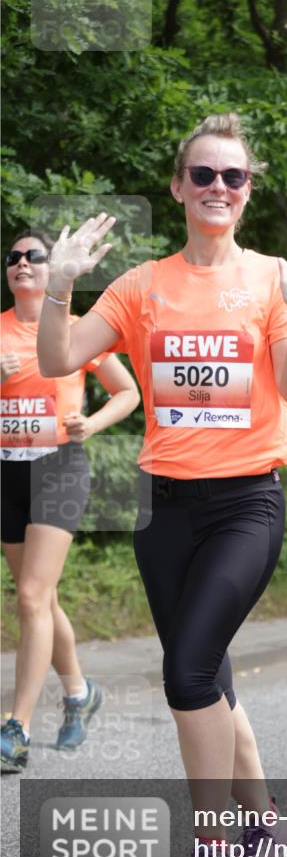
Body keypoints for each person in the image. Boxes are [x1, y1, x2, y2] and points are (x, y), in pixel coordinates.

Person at [36, 113, 287, 857]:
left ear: (248, 190)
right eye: (202, 174)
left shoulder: (275, 280)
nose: (217, 187)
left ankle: (212, 855)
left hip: (245, 503)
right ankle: (264, 818)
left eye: (233, 176)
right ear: (178, 187)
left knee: (188, 674)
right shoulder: (142, 286)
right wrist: (61, 284)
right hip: (164, 508)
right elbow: (59, 358)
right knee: (209, 674)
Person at [1, 229, 139, 773]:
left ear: (50, 267)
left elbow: (128, 392)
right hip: (7, 471)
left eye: (34, 256)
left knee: (32, 596)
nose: (22, 263)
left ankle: (16, 728)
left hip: (58, 467)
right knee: (40, 599)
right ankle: (80, 693)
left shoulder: (76, 329)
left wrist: (92, 423)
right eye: (13, 257)